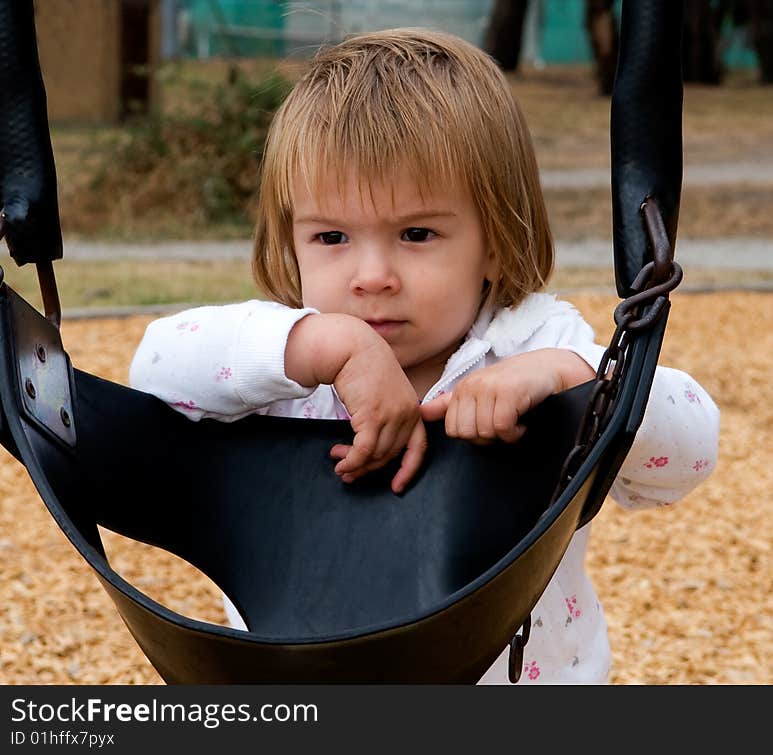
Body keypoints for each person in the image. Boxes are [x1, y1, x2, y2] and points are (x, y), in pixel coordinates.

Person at [129, 27, 719, 684]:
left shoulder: (533, 343)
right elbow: (150, 371)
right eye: (331, 236)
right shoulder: (283, 356)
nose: (372, 274)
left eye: (416, 233)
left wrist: (576, 381)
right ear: (293, 243)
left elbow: (689, 451)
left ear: (495, 240)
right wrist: (329, 346)